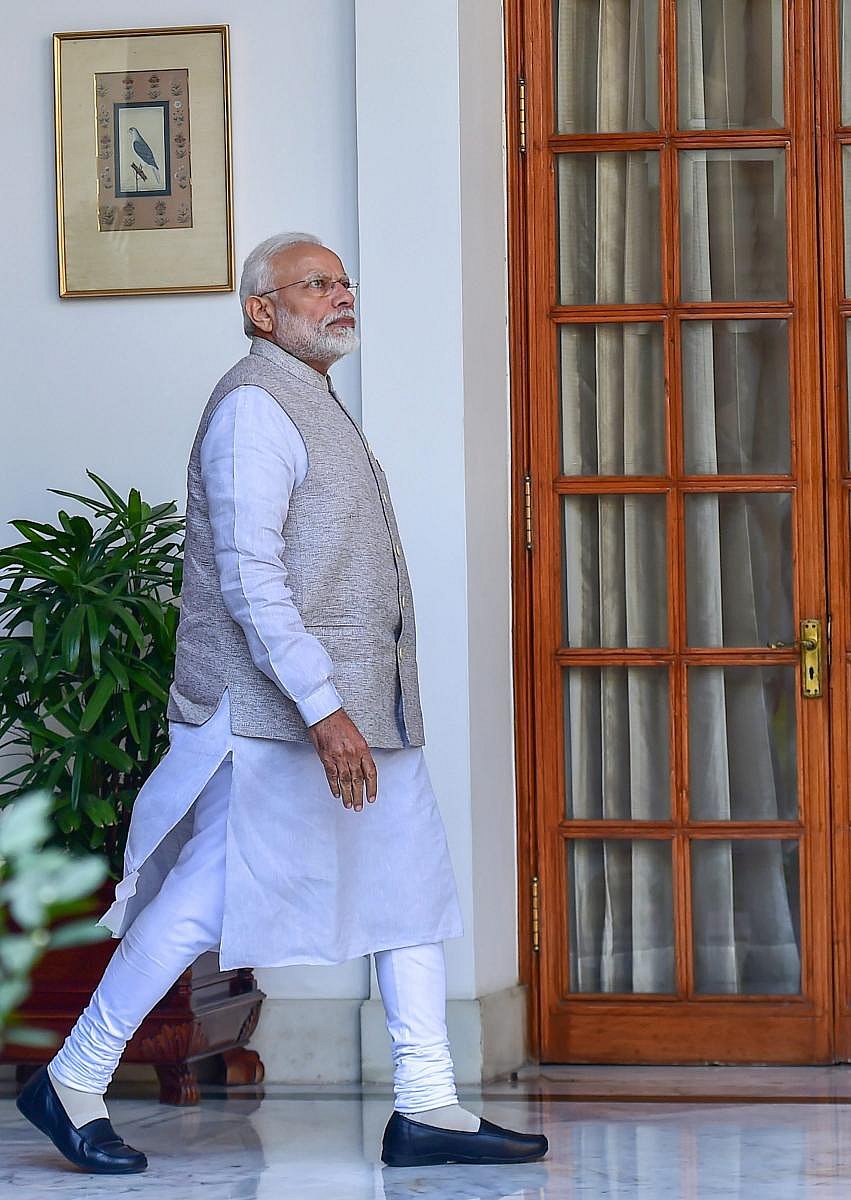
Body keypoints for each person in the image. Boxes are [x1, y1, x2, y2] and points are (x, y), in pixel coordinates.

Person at [16, 232, 549, 1174]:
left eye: (345, 281)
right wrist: (324, 708)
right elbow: (250, 579)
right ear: (263, 309)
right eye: (315, 284)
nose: (339, 296)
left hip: (355, 714)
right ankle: (73, 1077)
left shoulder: (312, 399)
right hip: (276, 719)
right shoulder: (253, 408)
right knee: (198, 904)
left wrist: (352, 707)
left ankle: (427, 1105)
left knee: (408, 894)